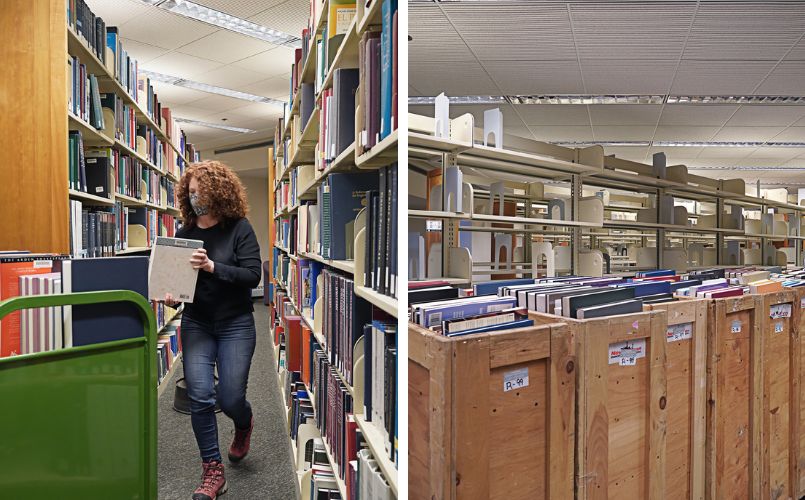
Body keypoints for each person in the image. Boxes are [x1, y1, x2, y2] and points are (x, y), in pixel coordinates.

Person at [165, 160, 262, 500]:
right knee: (200, 395)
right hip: (197, 323)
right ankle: (213, 470)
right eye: (190, 193)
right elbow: (178, 290)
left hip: (236, 322)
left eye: (201, 193)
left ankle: (243, 423)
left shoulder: (239, 228)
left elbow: (253, 276)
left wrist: (211, 266)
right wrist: (170, 294)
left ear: (219, 193)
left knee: (230, 397)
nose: (195, 199)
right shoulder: (184, 234)